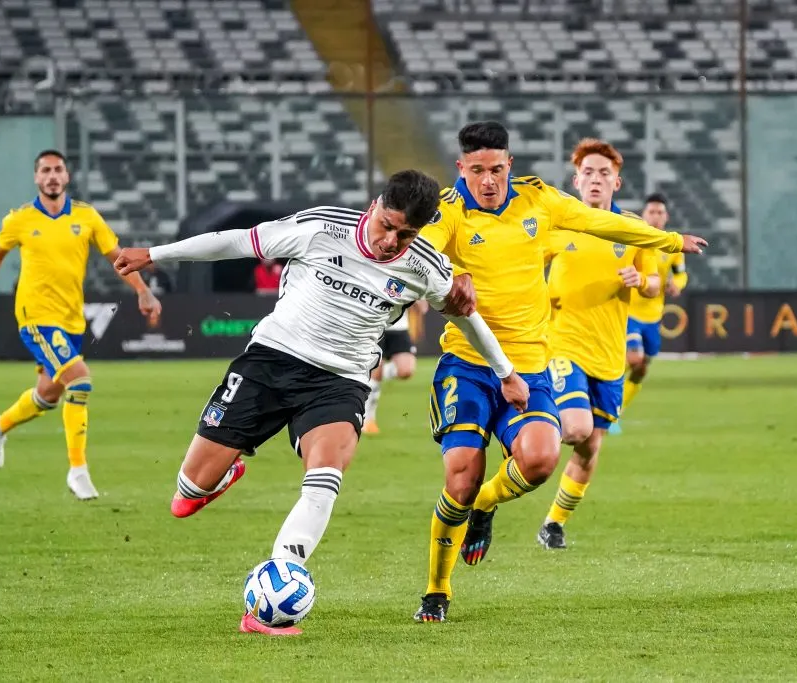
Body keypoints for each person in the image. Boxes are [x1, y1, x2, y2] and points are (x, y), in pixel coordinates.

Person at [112, 169, 528, 636]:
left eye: (406, 233)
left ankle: (273, 597)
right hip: (270, 362)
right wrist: (153, 254)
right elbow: (234, 242)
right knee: (185, 495)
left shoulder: (426, 266)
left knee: (325, 472)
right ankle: (220, 474)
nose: (392, 241)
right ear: (375, 205)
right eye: (387, 225)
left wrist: (506, 372)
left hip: (341, 381)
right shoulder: (319, 227)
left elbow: (467, 316)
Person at [413, 121, 708, 623]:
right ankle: (437, 591)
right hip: (469, 364)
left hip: (530, 367)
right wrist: (442, 277)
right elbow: (420, 249)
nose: (489, 180)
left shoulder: (539, 201)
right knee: (461, 478)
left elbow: (604, 223)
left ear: (510, 164)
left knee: (542, 460)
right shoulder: (450, 210)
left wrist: (670, 239)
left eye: (498, 169)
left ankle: (485, 508)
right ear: (463, 169)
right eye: (478, 170)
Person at [0, 150, 161, 500]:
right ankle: (78, 471)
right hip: (35, 316)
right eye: (45, 170)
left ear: (67, 177)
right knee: (80, 380)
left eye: (58, 169)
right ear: (36, 178)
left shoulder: (86, 216)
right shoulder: (21, 219)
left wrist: (144, 292)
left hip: (71, 318)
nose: (52, 176)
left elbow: (115, 256)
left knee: (48, 394)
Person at [536, 139, 659, 550]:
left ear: (616, 182)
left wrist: (641, 281)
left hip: (608, 355)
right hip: (562, 345)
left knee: (590, 448)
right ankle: (530, 432)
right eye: (588, 172)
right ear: (576, 180)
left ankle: (553, 522)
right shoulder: (558, 226)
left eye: (603, 173)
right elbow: (526, 266)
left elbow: (656, 280)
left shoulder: (632, 228)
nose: (595, 179)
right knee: (574, 427)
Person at [621, 193, 689, 423]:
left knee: (642, 369)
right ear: (643, 215)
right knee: (634, 359)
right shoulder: (633, 241)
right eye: (651, 212)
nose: (656, 216)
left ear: (666, 216)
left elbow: (681, 275)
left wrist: (677, 285)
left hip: (654, 316)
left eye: (660, 212)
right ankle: (605, 403)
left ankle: (617, 411)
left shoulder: (673, 247)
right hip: (630, 312)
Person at [362, 298, 427, 434]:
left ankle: (370, 373)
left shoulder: (411, 277)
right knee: (376, 373)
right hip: (375, 326)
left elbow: (423, 307)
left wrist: (416, 301)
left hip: (399, 328)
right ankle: (368, 419)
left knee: (406, 371)